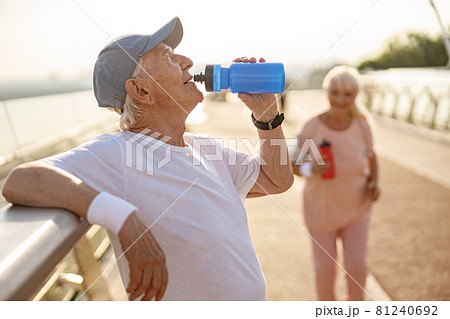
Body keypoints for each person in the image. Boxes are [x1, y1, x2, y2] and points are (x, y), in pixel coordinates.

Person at [2, 17, 293, 301]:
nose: (187, 61)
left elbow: (276, 180)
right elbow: (22, 179)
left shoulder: (204, 148)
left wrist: (267, 115)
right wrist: (123, 218)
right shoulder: (118, 151)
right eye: (167, 57)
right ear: (140, 90)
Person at [291, 65, 380, 301]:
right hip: (320, 211)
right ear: (326, 91)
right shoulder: (311, 126)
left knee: (357, 266)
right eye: (335, 92)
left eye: (347, 94)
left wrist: (374, 183)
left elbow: (371, 156)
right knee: (324, 270)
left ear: (355, 96)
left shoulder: (362, 125)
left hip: (357, 208)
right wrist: (311, 168)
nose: (340, 99)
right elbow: (292, 163)